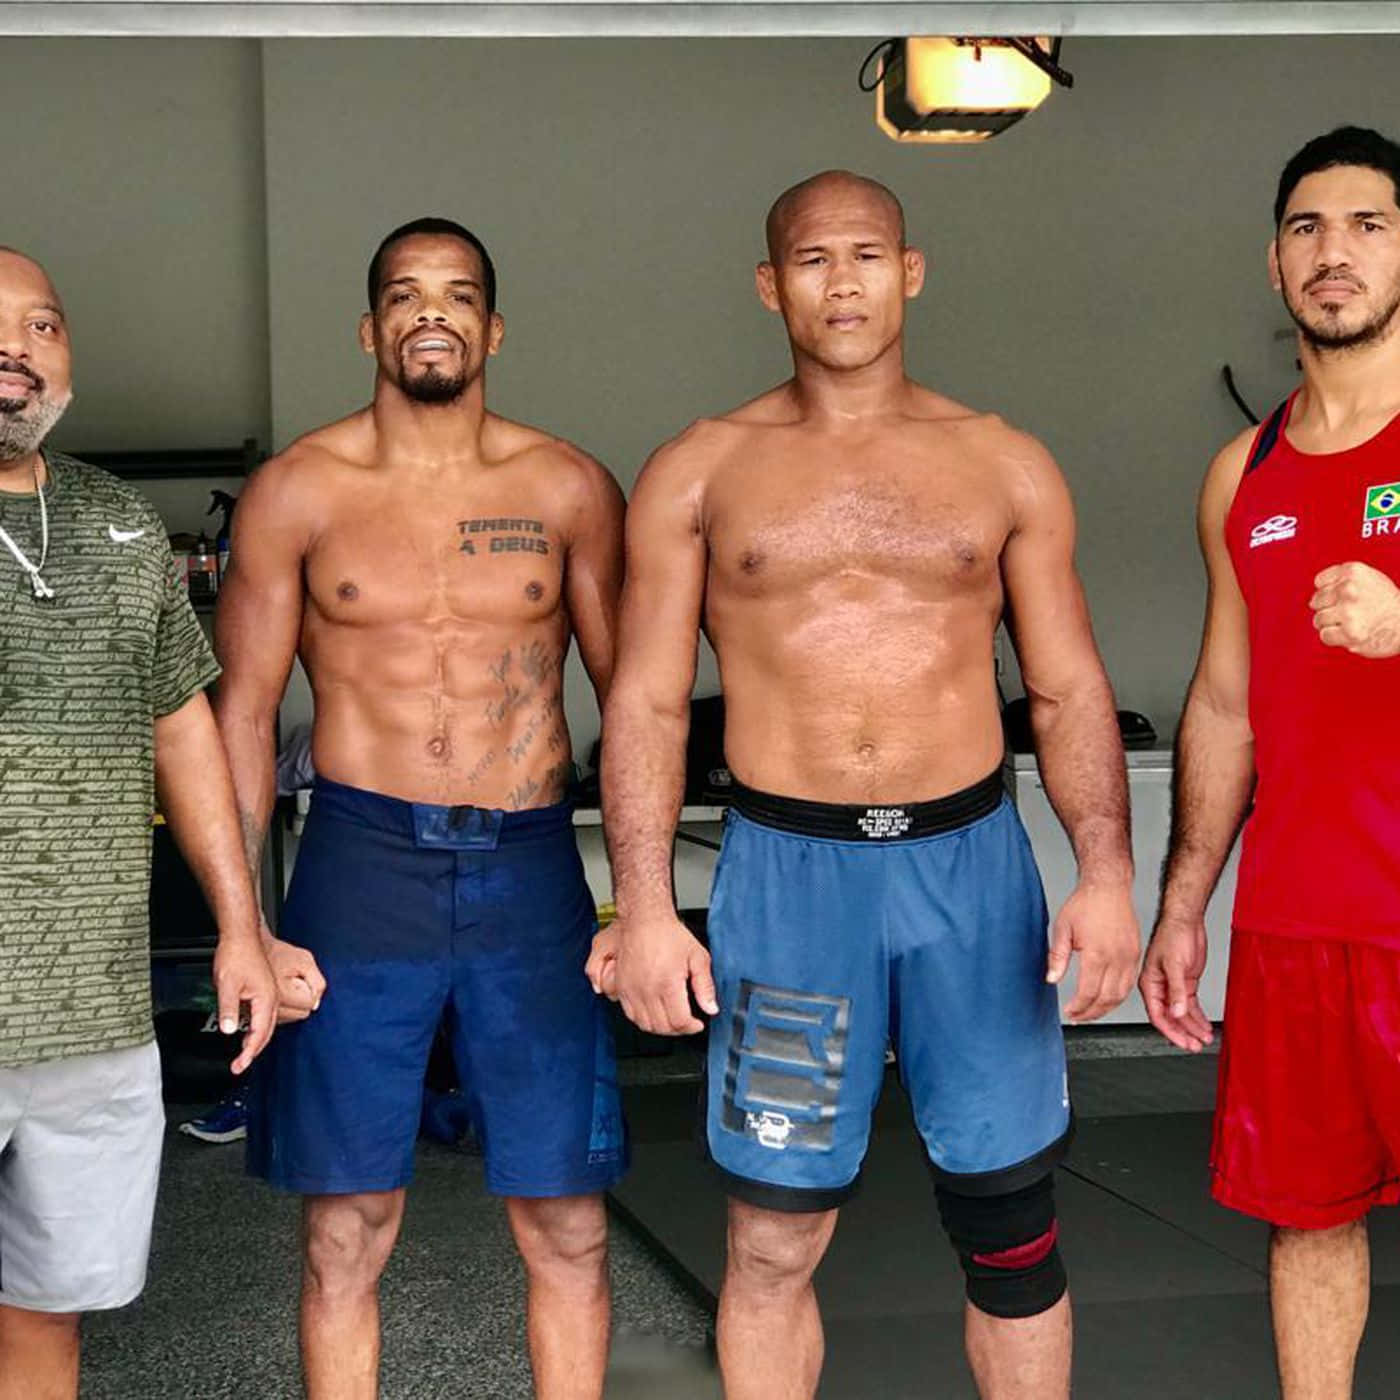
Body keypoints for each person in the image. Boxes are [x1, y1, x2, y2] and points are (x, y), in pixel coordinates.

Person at [593, 172, 1139, 1400]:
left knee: (1010, 1229)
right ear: (766, 283)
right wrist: (642, 904)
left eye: (864, 254)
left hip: (971, 872)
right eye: (808, 259)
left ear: (911, 271)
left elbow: (1064, 689)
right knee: (774, 1233)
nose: (839, 281)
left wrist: (1104, 875)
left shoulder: (1002, 462)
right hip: (792, 884)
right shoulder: (698, 468)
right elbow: (642, 698)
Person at [214, 217, 627, 1400]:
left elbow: (636, 698)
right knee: (346, 1224)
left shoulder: (564, 484)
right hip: (361, 862)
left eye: (456, 294)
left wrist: (638, 902)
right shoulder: (297, 489)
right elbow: (242, 714)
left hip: (531, 865)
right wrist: (248, 919)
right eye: (403, 294)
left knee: (567, 1219)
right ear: (370, 328)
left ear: (492, 328)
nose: (429, 311)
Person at [1142, 126, 1400, 1399]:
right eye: (1306, 228)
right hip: (1299, 913)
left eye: (1365, 224)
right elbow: (1223, 702)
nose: (1332, 252)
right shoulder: (1242, 471)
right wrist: (1184, 897)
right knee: (1307, 1215)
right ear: (1274, 260)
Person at [0, 247, 278, 1400]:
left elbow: (183, 732)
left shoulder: (117, 521)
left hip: (95, 1011)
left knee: (49, 1315)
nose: (17, 347)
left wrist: (239, 924)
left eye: (43, 325)